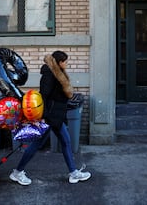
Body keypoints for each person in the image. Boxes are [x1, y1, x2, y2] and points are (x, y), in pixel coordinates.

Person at [9, 50, 91, 185]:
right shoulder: (49, 75)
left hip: (56, 116)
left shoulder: (58, 74)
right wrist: (44, 117)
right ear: (59, 63)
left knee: (66, 142)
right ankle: (17, 172)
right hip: (50, 116)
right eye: (65, 61)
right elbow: (44, 96)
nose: (67, 64)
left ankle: (73, 173)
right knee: (37, 144)